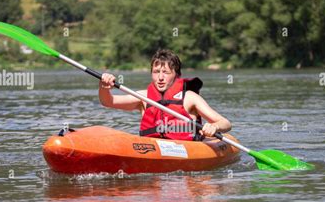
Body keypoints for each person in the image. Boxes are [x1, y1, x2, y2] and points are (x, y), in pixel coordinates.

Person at [98, 49, 231, 141]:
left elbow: (225, 123)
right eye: (156, 72)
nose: (160, 77)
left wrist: (214, 126)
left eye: (166, 72)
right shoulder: (143, 97)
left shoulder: (189, 98)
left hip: (186, 149)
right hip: (153, 148)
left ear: (176, 75)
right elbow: (108, 101)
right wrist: (104, 87)